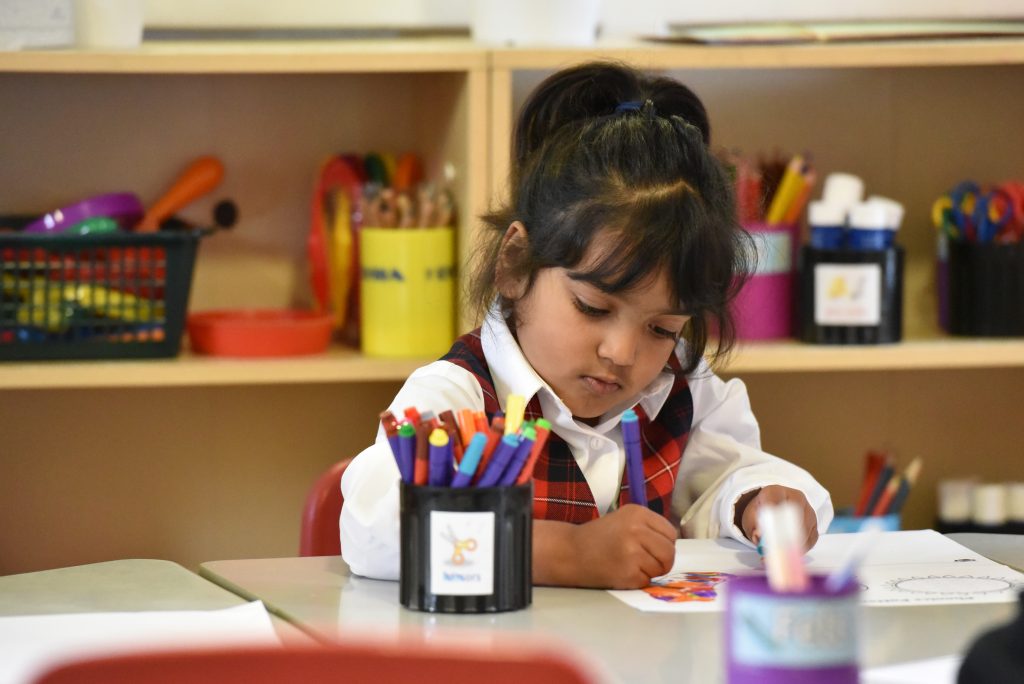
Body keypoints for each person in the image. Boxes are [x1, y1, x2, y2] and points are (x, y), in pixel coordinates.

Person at [340, 61, 833, 590]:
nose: (623, 352)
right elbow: (375, 531)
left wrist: (762, 501)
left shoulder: (683, 392)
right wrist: (566, 553)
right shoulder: (457, 398)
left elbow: (730, 476)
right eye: (594, 308)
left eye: (662, 329)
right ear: (515, 262)